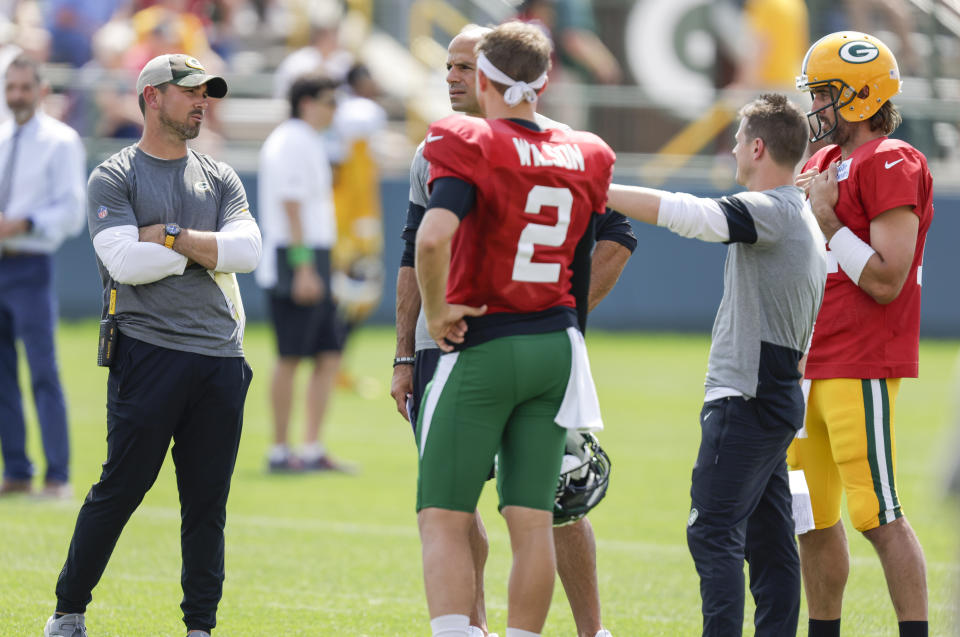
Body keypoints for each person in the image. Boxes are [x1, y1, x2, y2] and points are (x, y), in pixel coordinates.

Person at [390, 24, 632, 637]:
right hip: (556, 345)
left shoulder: (463, 137)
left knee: (442, 515)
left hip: (485, 340)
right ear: (546, 80)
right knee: (534, 520)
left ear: (487, 78)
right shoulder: (587, 149)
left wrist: (440, 310)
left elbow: (432, 237)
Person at [44, 53, 261, 637]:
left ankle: (200, 627)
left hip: (220, 359)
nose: (201, 101)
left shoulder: (220, 175)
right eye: (188, 91)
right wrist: (202, 247)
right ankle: (68, 613)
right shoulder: (114, 174)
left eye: (206, 92)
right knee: (121, 487)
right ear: (151, 97)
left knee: (207, 503)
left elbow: (248, 252)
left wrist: (166, 233)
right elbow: (124, 262)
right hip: (148, 354)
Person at [607, 93, 825, 636]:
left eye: (736, 141)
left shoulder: (772, 210)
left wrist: (598, 191)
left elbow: (693, 215)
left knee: (713, 532)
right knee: (770, 540)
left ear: (757, 146)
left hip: (748, 400)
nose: (730, 151)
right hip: (774, 398)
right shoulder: (794, 211)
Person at [788, 31, 934, 637]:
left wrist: (825, 218)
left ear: (859, 95)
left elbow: (886, 281)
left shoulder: (891, 159)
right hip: (804, 366)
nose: (816, 105)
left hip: (859, 359)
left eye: (824, 92)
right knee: (812, 519)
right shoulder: (820, 163)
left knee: (878, 514)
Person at [256, 73, 352, 473]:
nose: (335, 109)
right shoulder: (292, 139)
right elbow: (291, 206)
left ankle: (311, 447)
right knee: (290, 356)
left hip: (314, 256)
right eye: (329, 100)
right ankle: (280, 450)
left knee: (328, 354)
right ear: (306, 102)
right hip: (295, 258)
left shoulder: (308, 140)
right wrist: (304, 267)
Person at [0, 54, 86, 499]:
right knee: (2, 376)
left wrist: (26, 222)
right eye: (10, 87)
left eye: (23, 88)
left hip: (30, 263)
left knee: (42, 371)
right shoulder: (1, 135)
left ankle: (57, 474)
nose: (16, 96)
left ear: (41, 90)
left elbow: (72, 210)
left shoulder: (61, 141)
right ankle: (16, 469)